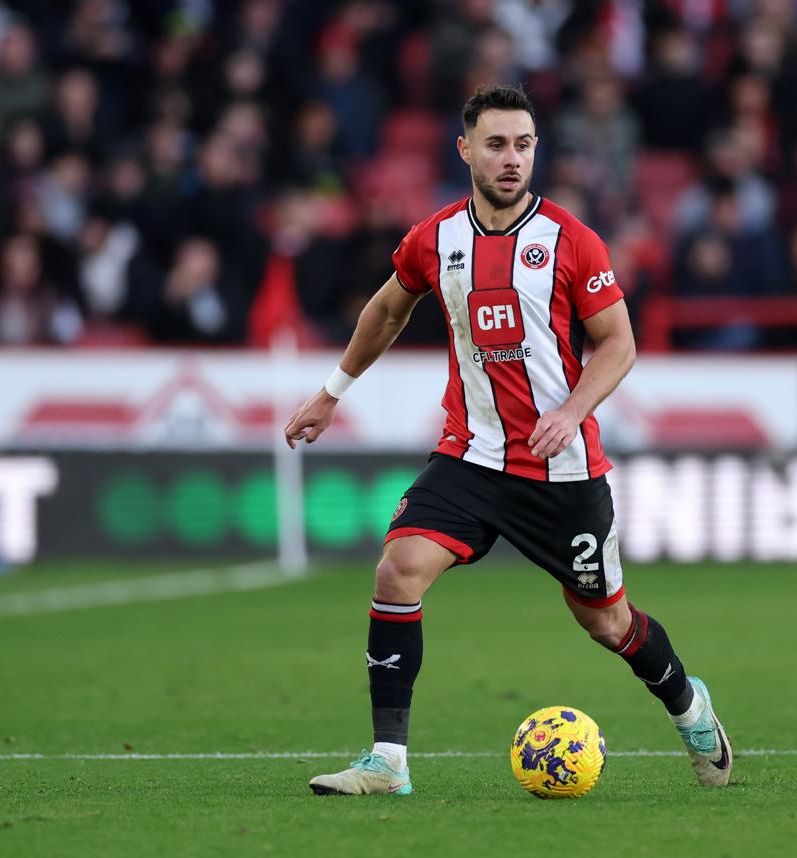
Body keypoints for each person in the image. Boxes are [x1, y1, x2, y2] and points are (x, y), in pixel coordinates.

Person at [283, 84, 732, 796]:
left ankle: (690, 707)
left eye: (523, 145)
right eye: (496, 144)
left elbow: (619, 343)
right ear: (465, 150)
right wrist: (331, 391)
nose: (512, 159)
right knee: (397, 571)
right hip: (471, 455)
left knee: (606, 620)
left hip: (563, 469)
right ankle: (387, 762)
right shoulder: (436, 238)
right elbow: (387, 310)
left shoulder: (571, 241)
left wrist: (573, 408)